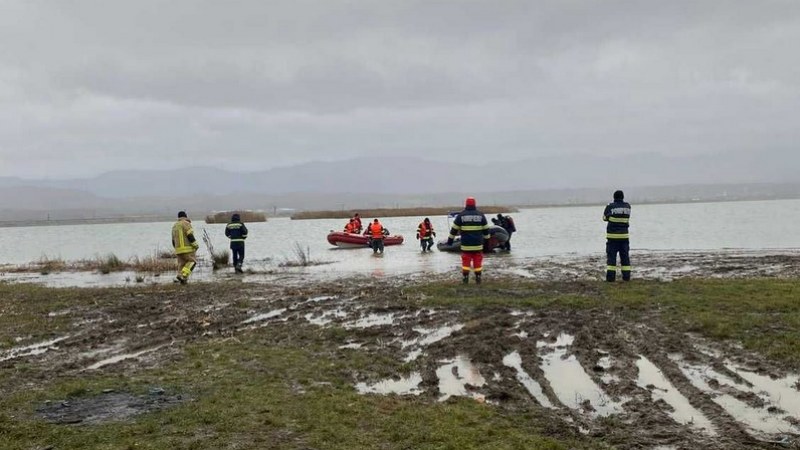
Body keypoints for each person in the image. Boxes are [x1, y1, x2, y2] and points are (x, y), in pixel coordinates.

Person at [447, 197, 490, 284]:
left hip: (466, 245)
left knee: (466, 262)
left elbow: (454, 229)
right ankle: (478, 278)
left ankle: (465, 278)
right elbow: (486, 231)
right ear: (475, 204)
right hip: (478, 245)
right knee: (477, 261)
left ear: (466, 204)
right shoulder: (481, 215)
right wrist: (487, 243)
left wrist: (450, 241)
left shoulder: (461, 216)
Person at [603, 190, 632, 282]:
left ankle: (611, 278)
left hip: (612, 237)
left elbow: (604, 218)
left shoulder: (610, 206)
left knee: (611, 258)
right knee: (625, 257)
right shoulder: (628, 207)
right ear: (622, 197)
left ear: (614, 197)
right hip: (624, 237)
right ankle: (626, 277)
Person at [172, 211, 199, 284]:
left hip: (178, 250)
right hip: (187, 249)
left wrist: (176, 248)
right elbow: (190, 235)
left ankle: (180, 277)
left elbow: (173, 240)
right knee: (193, 262)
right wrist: (196, 245)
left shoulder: (174, 226)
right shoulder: (186, 223)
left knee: (182, 264)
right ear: (185, 216)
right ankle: (183, 275)